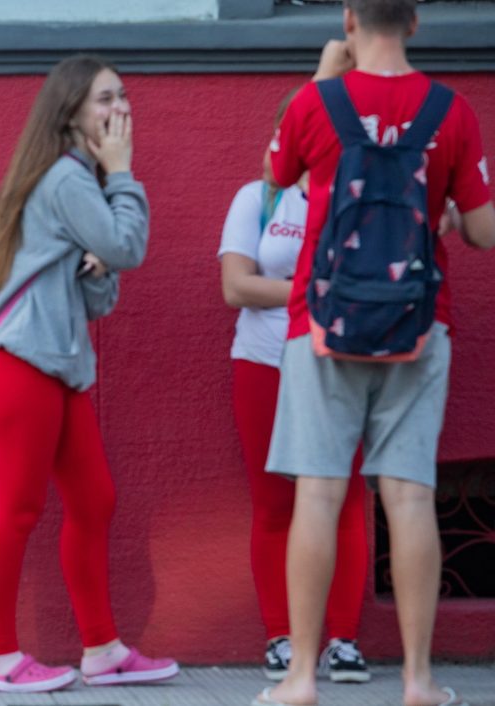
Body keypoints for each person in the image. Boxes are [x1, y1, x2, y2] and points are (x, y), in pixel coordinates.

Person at [256, 2, 495, 705]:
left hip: (321, 320)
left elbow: (275, 175)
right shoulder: (452, 110)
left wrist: (322, 76)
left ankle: (300, 678)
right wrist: (447, 214)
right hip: (418, 323)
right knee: (409, 495)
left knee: (319, 494)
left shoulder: (316, 102)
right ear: (416, 23)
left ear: (349, 18)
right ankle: (419, 682)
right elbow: (481, 231)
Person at [0, 54, 177, 693]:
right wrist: (124, 174)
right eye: (106, 100)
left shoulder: (71, 179)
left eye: (125, 97)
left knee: (93, 500)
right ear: (72, 112)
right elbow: (128, 246)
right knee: (15, 511)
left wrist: (98, 271)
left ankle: (103, 650)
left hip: (58, 366)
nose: (121, 111)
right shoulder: (68, 179)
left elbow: (99, 288)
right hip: (25, 366)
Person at [219, 102, 370, 684]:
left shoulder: (356, 197)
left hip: (339, 365)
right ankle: (281, 637)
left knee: (346, 500)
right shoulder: (258, 199)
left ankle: (344, 642)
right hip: (263, 364)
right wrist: (313, 291)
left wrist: (282, 288)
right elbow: (235, 286)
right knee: (275, 502)